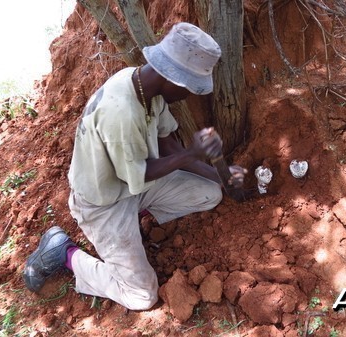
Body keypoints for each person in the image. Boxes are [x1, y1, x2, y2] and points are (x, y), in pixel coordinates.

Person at [23, 22, 247, 310]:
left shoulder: (146, 88)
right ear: (174, 80)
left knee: (210, 193)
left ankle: (135, 218)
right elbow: (141, 174)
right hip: (104, 204)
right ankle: (62, 252)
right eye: (191, 88)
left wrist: (221, 177)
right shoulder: (121, 113)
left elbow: (167, 146)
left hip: (135, 186)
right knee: (142, 296)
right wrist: (192, 153)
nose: (191, 96)